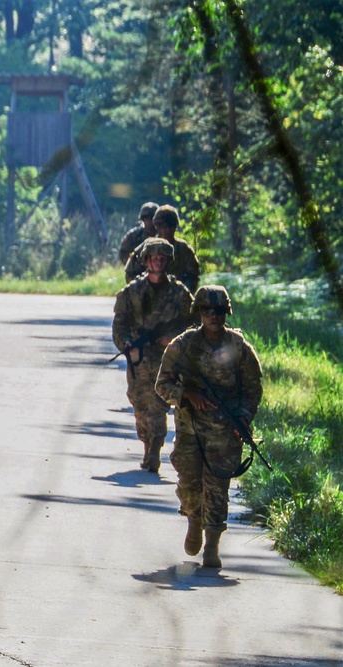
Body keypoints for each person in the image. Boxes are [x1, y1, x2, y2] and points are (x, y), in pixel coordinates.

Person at [156, 286, 263, 569]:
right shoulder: (183, 345)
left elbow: (254, 389)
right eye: (207, 311)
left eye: (218, 311)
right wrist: (187, 395)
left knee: (217, 489)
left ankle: (212, 546)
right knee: (189, 484)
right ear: (199, 312)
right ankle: (194, 519)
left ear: (225, 312)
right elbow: (162, 384)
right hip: (190, 429)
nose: (213, 316)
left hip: (224, 433)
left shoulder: (239, 348)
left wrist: (242, 416)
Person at [111, 238, 194, 473]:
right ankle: (148, 443)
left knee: (158, 405)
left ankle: (154, 451)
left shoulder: (179, 294)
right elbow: (119, 324)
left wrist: (175, 339)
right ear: (146, 261)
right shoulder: (131, 293)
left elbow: (194, 324)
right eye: (153, 258)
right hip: (139, 359)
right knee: (139, 403)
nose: (158, 262)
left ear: (168, 261)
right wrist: (126, 344)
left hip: (166, 358)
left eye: (162, 258)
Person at [124, 205, 201, 291]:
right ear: (157, 226)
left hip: (175, 298)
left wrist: (182, 292)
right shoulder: (146, 247)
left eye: (171, 226)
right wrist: (140, 291)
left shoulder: (184, 249)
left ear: (175, 226)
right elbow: (130, 272)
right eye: (164, 226)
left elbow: (193, 275)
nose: (168, 229)